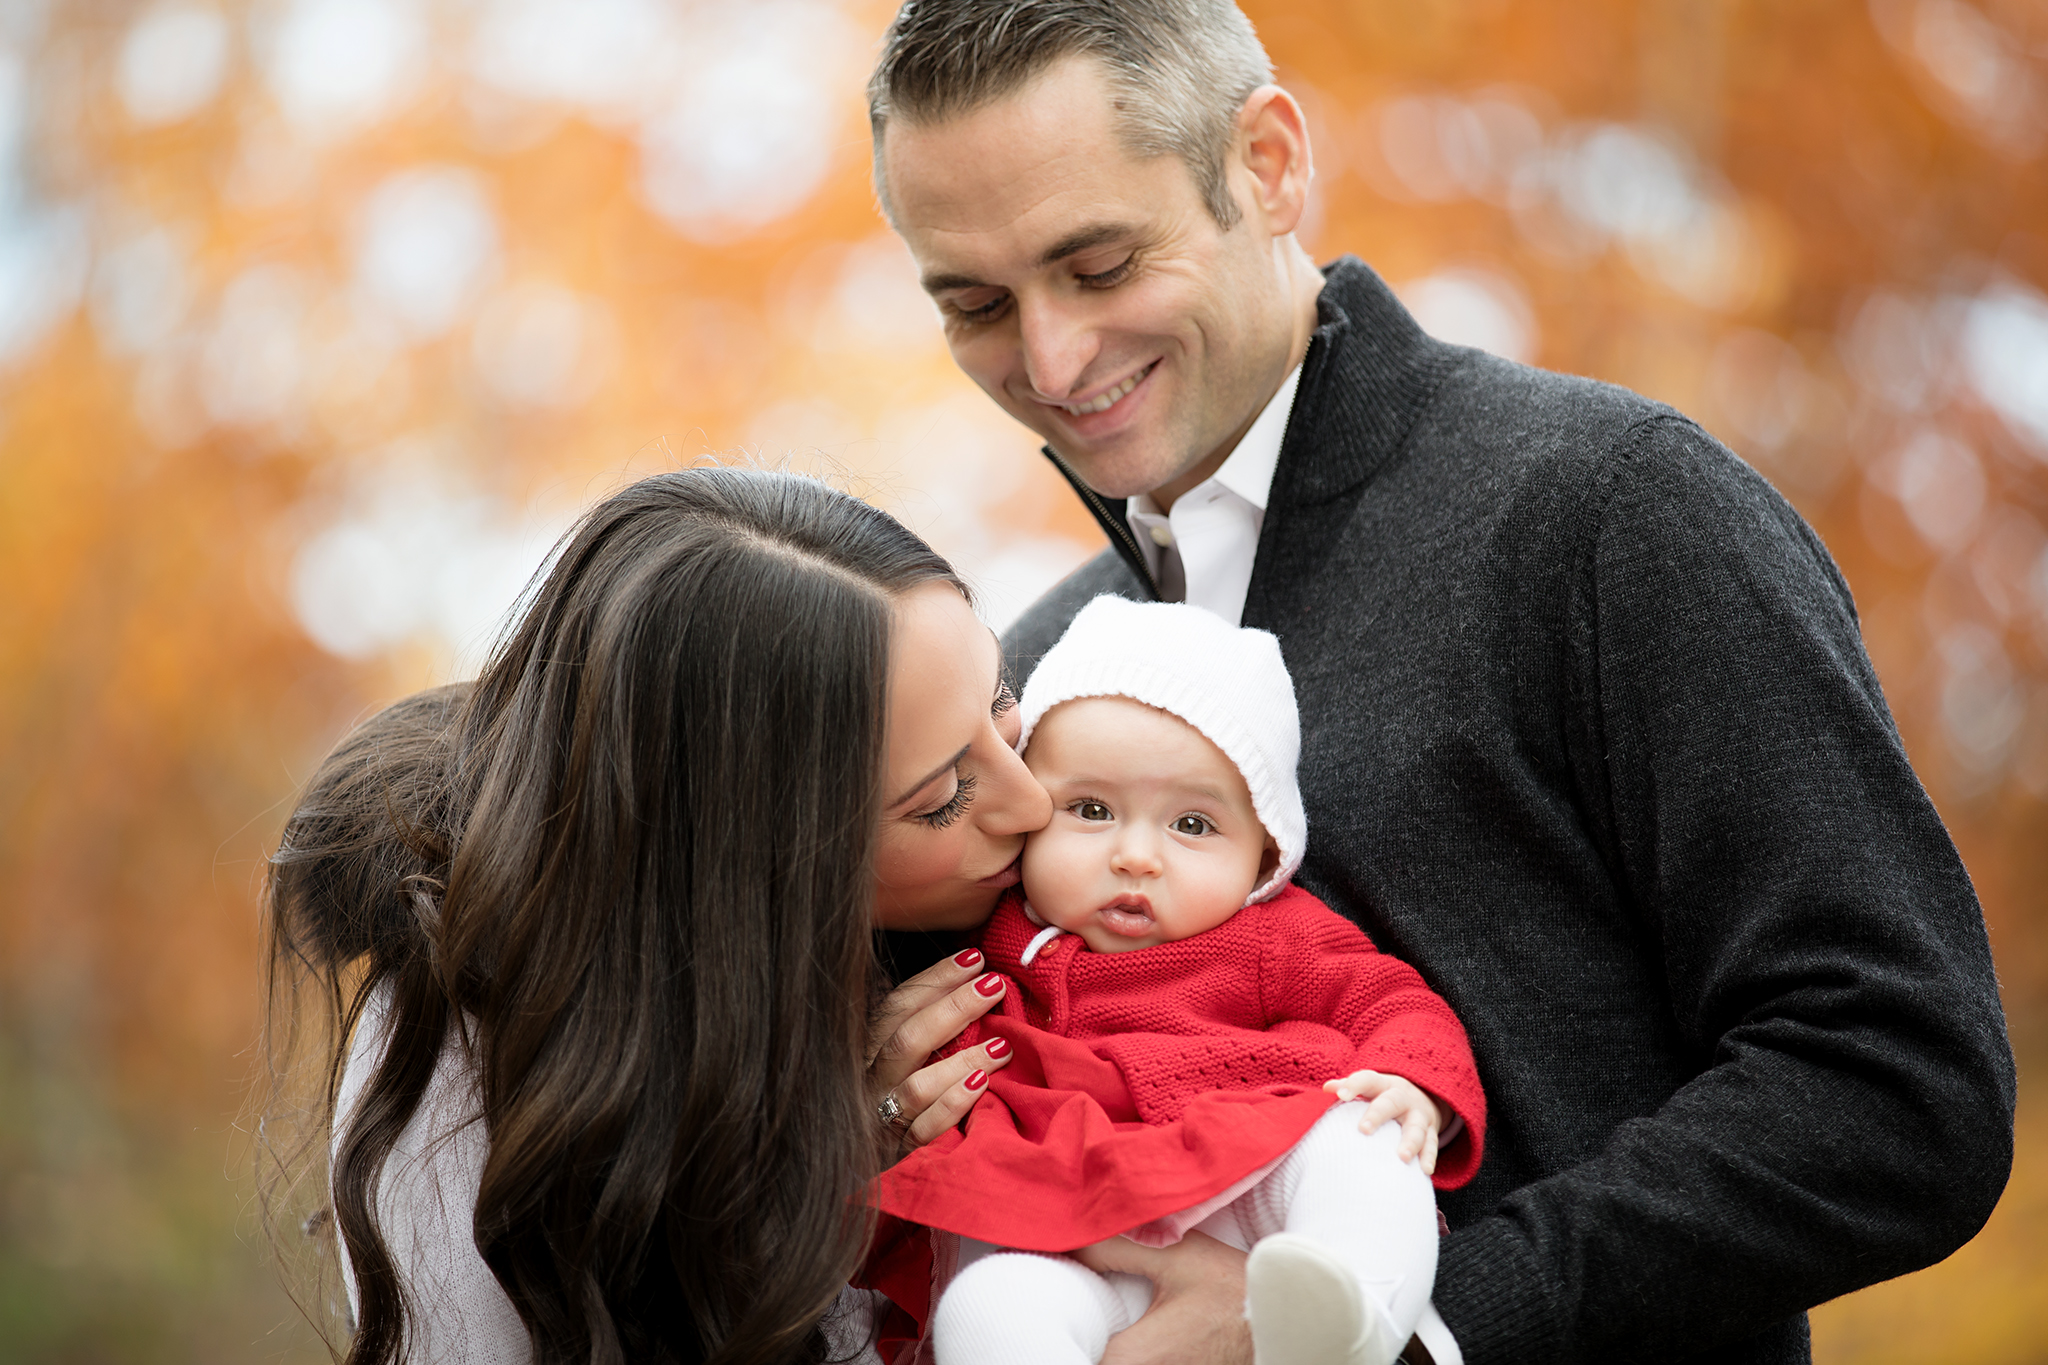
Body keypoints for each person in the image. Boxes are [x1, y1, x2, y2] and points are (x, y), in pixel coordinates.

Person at [864, 3, 2018, 1363]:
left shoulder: (1609, 514)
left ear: (1271, 165)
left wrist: (1409, 1332)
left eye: (1101, 263)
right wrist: (875, 1110)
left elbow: (1899, 1082)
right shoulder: (1034, 675)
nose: (1051, 362)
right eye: (979, 306)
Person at [257, 469, 1058, 1364]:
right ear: (743, 854)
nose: (1033, 802)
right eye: (943, 797)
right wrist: (828, 1191)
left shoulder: (1067, 858)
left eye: (999, 697)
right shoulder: (465, 1058)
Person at [874, 596, 1485, 1365]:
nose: (1136, 854)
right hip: (1083, 1235)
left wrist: (1412, 1079)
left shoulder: (1274, 933)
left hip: (1262, 1184)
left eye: (1191, 824)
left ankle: (1350, 1317)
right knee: (987, 1306)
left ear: (1264, 853)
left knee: (1362, 1138)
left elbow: (1389, 999)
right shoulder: (989, 946)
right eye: (1091, 809)